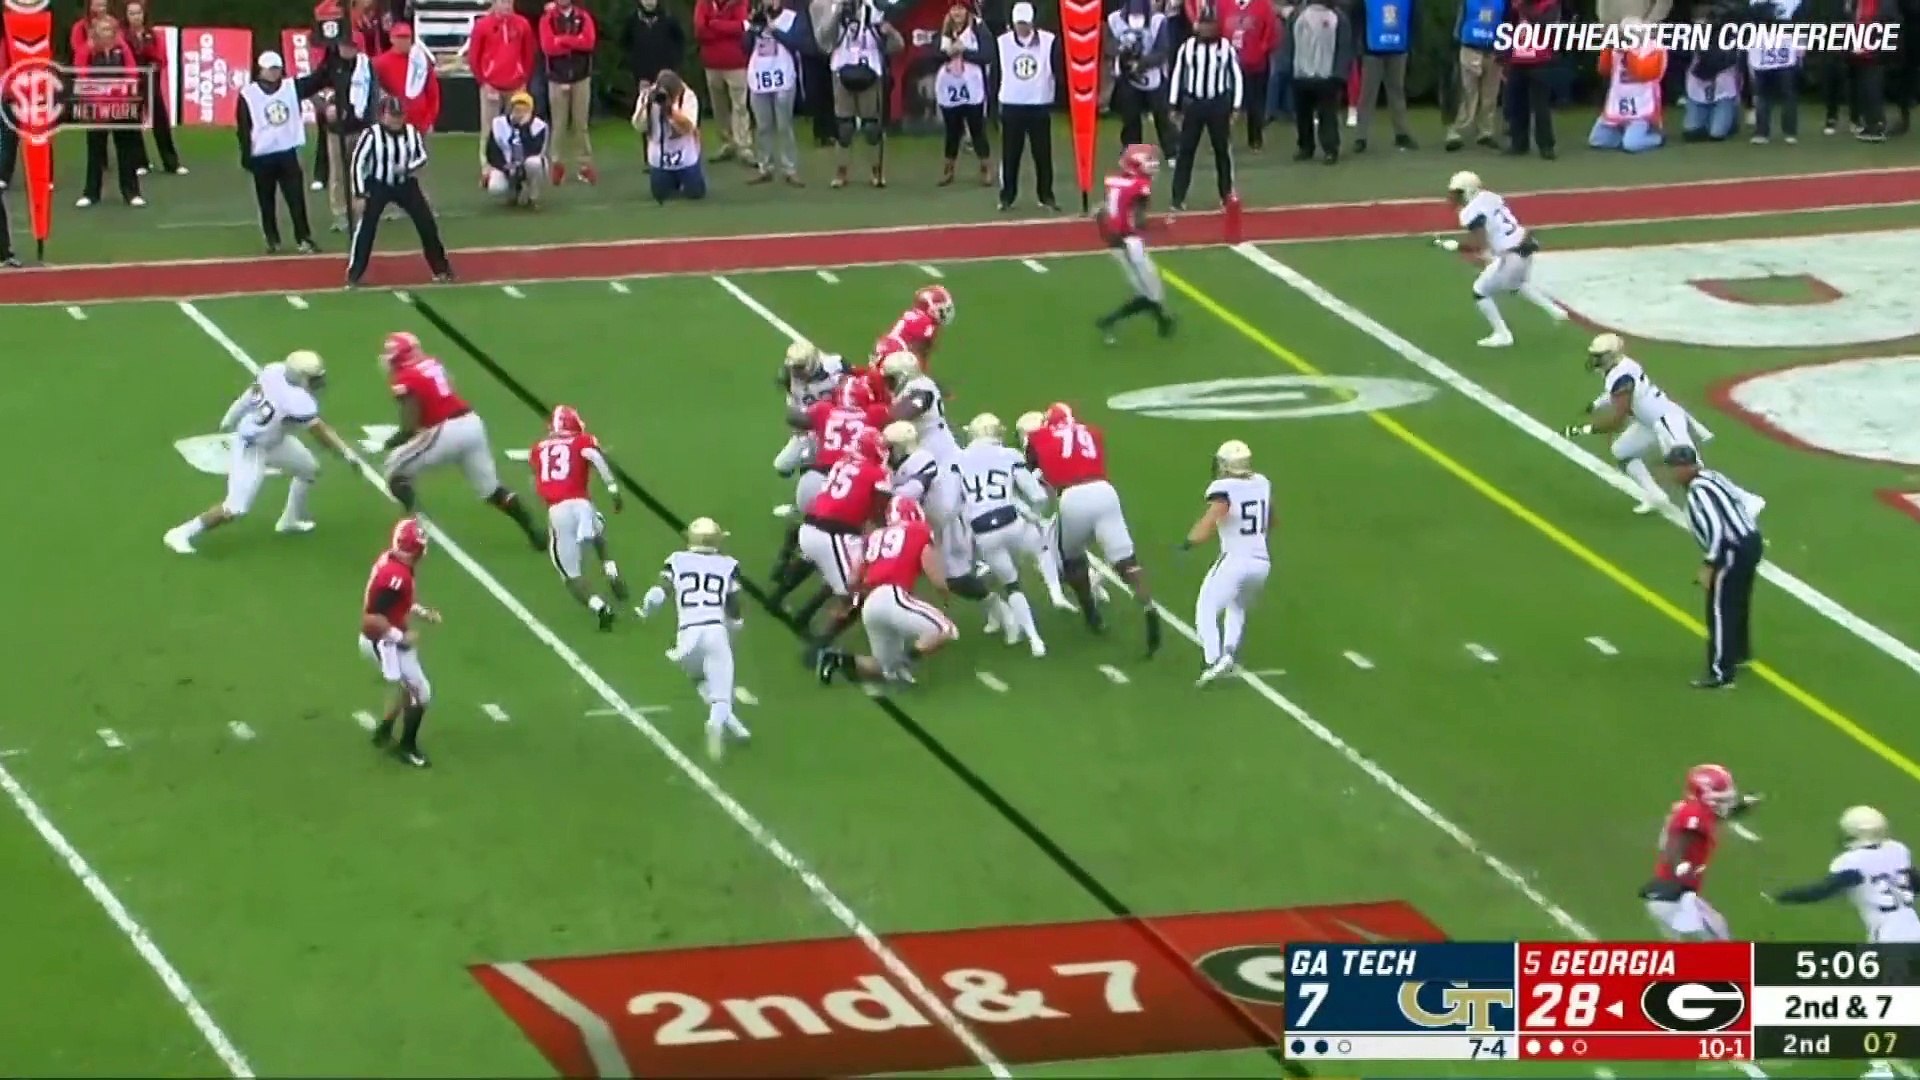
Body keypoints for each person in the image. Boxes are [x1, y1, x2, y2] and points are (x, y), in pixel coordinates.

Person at [638, 517, 752, 761]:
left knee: (699, 678)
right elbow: (734, 607)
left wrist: (647, 609)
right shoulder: (728, 565)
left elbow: (658, 594)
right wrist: (735, 628)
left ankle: (736, 728)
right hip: (714, 631)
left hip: (687, 635)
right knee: (722, 696)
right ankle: (715, 724)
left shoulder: (677, 560)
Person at [1665, 445, 1764, 689]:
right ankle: (1739, 652)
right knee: (1738, 602)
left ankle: (1721, 672)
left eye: (1676, 467)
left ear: (1687, 467)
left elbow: (1716, 528)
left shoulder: (1698, 492)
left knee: (1720, 610)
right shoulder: (1712, 476)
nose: (1673, 473)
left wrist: (1709, 564)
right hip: (1750, 541)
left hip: (1729, 550)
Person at [1184, 439, 1269, 686]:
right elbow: (1271, 517)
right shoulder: (1262, 482)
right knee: (1237, 605)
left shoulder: (1223, 487)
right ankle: (1229, 650)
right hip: (1262, 562)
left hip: (1235, 559)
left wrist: (1190, 541)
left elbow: (1214, 515)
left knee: (1206, 608)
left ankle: (1213, 660)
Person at [347, 96, 455, 286]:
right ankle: (355, 273)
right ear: (383, 116)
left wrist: (407, 167)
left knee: (426, 223)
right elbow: (358, 162)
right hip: (378, 184)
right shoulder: (371, 134)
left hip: (405, 184)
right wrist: (360, 193)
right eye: (393, 115)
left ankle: (441, 268)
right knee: (366, 227)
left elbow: (421, 157)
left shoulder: (411, 132)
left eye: (399, 116)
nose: (396, 120)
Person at [238, 49, 329, 252]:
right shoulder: (248, 94)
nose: (273, 73)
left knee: (296, 199)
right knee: (266, 201)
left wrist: (330, 53)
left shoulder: (291, 87)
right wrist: (246, 154)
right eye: (270, 69)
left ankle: (303, 237)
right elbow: (244, 127)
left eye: (277, 69)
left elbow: (317, 80)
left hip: (287, 152)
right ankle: (272, 239)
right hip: (262, 154)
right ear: (260, 70)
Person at [815, 0, 902, 188]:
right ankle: (841, 170)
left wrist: (889, 32)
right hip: (841, 70)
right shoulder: (835, 7)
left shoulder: (875, 10)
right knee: (844, 127)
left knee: (872, 127)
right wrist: (837, 14)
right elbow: (823, 41)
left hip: (870, 70)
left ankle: (876, 170)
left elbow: (895, 46)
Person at [1168, 5, 1241, 207]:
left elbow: (1236, 76)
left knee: (1222, 151)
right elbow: (1177, 74)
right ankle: (1178, 197)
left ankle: (1226, 194)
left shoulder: (1225, 47)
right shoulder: (1187, 47)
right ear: (1198, 26)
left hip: (1218, 104)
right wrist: (1173, 104)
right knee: (1186, 151)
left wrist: (1236, 106)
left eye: (1211, 24)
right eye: (1204, 24)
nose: (1207, 29)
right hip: (1194, 105)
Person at [994, 1, 1060, 209]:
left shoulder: (1048, 41)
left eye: (1025, 23)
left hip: (1039, 104)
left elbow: (1057, 68)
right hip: (1012, 105)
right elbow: (995, 73)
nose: (1022, 27)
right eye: (1019, 23)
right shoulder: (1003, 42)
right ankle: (1007, 196)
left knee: (1042, 154)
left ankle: (1046, 195)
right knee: (1010, 155)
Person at [74, 17, 144, 209]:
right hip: (97, 108)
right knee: (95, 152)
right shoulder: (86, 50)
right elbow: (82, 76)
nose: (107, 33)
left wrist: (126, 96)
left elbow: (132, 72)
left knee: (126, 150)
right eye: (103, 29)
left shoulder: (122, 48)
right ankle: (91, 193)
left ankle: (131, 192)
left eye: (110, 29)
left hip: (121, 106)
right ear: (95, 31)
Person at [315, 24, 375, 232]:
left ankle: (362, 211)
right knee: (338, 174)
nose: (347, 49)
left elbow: (374, 94)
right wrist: (326, 106)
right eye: (344, 45)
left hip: (361, 128)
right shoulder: (330, 66)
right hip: (337, 130)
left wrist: (372, 122)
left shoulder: (366, 67)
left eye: (351, 46)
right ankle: (340, 214)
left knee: (361, 171)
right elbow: (316, 89)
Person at [1276, 0, 1353, 164]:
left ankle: (1330, 149)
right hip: (1301, 74)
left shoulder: (1338, 18)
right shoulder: (1297, 16)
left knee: (1328, 115)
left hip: (1327, 76)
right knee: (1303, 116)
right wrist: (1288, 68)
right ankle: (1305, 147)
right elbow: (1288, 43)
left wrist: (1339, 74)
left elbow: (1344, 47)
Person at [745, 0, 810, 184]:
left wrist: (774, 31)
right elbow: (744, 47)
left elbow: (797, 43)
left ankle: (790, 168)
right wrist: (753, 28)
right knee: (763, 126)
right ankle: (765, 167)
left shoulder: (791, 18)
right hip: (759, 78)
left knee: (784, 126)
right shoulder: (755, 18)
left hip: (783, 78)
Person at [468, 0, 537, 170]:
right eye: (502, 2)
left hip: (516, 85)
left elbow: (529, 53)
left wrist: (523, 78)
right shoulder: (483, 25)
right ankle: (487, 167)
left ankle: (515, 163)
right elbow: (474, 57)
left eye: (509, 2)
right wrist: (484, 82)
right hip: (491, 85)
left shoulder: (522, 24)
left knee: (516, 126)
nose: (506, 6)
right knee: (489, 128)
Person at [539, 0, 599, 183]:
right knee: (559, 124)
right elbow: (548, 46)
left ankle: (584, 165)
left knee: (581, 124)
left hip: (581, 77)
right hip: (557, 78)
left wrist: (563, 40)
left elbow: (588, 43)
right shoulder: (548, 19)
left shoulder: (583, 17)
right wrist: (575, 41)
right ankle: (557, 164)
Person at [935, 3, 993, 186]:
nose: (957, 13)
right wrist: (948, 54)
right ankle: (948, 169)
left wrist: (963, 53)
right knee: (952, 130)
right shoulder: (945, 31)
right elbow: (934, 55)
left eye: (960, 8)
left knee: (977, 129)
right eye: (953, 9)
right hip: (950, 86)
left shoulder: (979, 29)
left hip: (972, 86)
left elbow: (987, 55)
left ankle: (985, 168)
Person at [1107, 0, 1174, 157]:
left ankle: (1172, 151)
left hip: (1154, 75)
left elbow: (1162, 50)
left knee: (1161, 116)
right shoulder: (1114, 20)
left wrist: (1142, 63)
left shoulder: (1158, 21)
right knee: (1130, 116)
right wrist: (1122, 51)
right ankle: (1132, 149)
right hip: (1127, 75)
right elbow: (1110, 46)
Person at [123, 2, 183, 176]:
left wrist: (155, 64)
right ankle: (140, 162)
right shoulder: (123, 36)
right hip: (132, 82)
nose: (135, 17)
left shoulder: (152, 35)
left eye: (138, 13)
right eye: (131, 13)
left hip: (150, 79)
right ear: (126, 16)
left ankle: (171, 163)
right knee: (133, 122)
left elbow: (162, 58)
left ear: (144, 14)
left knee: (160, 120)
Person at [695, 0, 755, 165]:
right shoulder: (703, 3)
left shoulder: (740, 2)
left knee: (740, 106)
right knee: (719, 107)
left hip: (736, 63)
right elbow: (700, 30)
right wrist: (728, 28)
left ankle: (743, 145)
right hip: (712, 63)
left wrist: (714, 24)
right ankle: (727, 143)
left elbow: (742, 27)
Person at [635, 70, 707, 201]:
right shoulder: (649, 97)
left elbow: (688, 127)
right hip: (659, 158)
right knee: (661, 194)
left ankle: (690, 177)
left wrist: (670, 112)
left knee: (695, 193)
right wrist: (645, 106)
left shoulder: (688, 96)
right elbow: (638, 126)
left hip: (685, 156)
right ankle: (670, 180)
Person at [1353, 0, 1415, 151]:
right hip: (1373, 50)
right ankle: (1361, 137)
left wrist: (1410, 43)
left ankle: (1401, 134)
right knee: (1368, 93)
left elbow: (1414, 18)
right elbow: (1357, 17)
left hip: (1398, 49)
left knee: (1397, 92)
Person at [1502, 0, 1558, 158]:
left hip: (1540, 60)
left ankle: (1546, 145)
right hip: (1518, 59)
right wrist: (1505, 54)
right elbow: (1508, 26)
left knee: (1541, 106)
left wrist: (1523, 7)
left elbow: (1546, 24)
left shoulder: (1549, 4)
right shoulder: (1515, 4)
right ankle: (1519, 143)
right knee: (1516, 104)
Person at [619, 0, 687, 128]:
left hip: (666, 78)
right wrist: (635, 68)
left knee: (669, 112)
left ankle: (668, 140)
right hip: (643, 78)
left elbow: (680, 42)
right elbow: (625, 45)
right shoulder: (632, 21)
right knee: (645, 116)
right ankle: (649, 141)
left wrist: (674, 67)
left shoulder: (668, 19)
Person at [1445, 0, 1503, 149]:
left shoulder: (1503, 2)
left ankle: (1485, 132)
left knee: (1490, 95)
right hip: (1470, 49)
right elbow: (1459, 22)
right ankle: (1456, 132)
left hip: (1494, 51)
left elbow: (1507, 22)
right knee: (1467, 92)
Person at [1227, 0, 1278, 150]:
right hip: (1228, 63)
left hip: (1256, 63)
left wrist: (1261, 50)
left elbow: (1271, 31)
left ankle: (1255, 138)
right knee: (1224, 102)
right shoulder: (1224, 4)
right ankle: (1222, 138)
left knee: (1255, 101)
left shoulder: (1263, 5)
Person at [485, 90, 549, 206]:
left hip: (528, 164)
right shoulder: (499, 123)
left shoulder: (539, 126)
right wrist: (505, 167)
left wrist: (524, 128)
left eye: (524, 109)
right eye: (517, 108)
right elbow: (491, 151)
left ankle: (533, 196)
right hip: (506, 164)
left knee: (534, 163)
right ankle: (513, 190)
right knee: (496, 187)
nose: (520, 112)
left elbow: (535, 150)